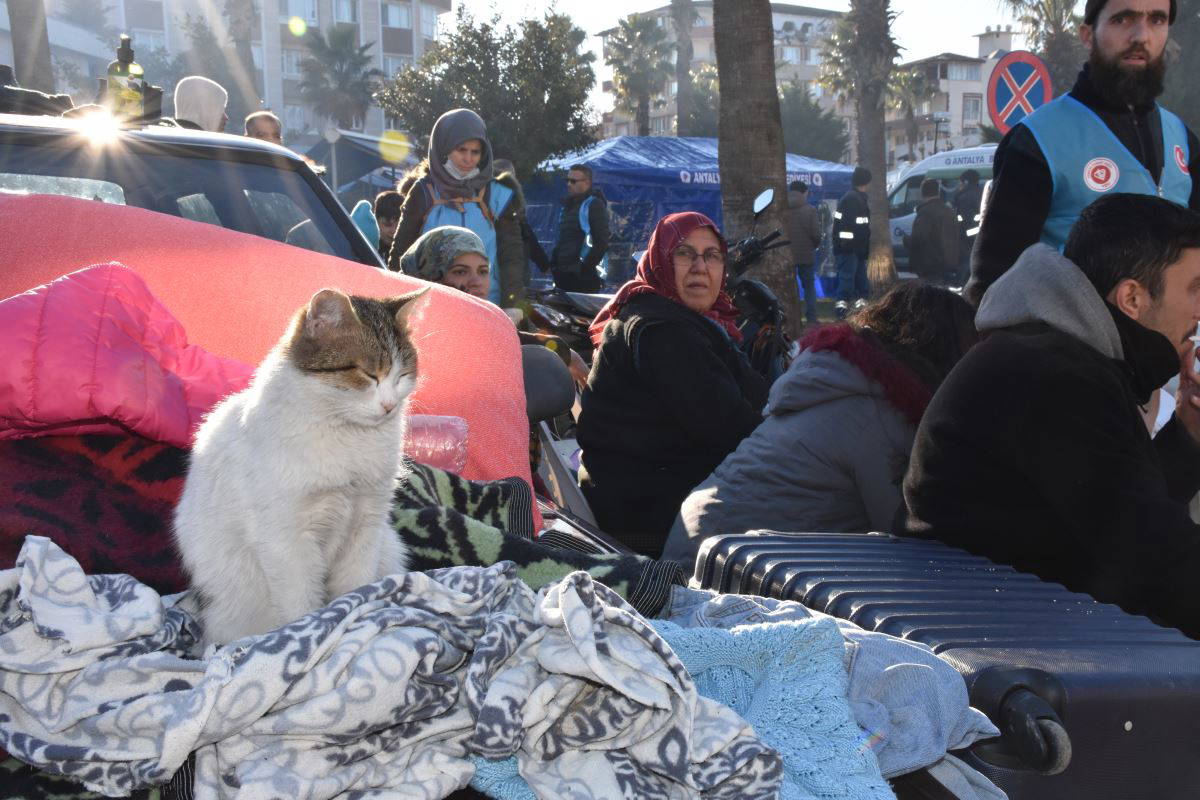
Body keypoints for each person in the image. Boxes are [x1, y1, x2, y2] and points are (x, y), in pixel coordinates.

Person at [904, 193, 1200, 637]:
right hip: (996, 639)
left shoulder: (1060, 356)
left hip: (1001, 614)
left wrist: (1191, 433)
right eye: (1195, 289)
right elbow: (1155, 560)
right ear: (1132, 298)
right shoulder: (1057, 376)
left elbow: (1128, 506)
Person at [664, 282, 976, 567]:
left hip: (699, 542)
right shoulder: (881, 415)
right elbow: (910, 536)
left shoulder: (834, 380)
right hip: (717, 572)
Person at [966, 0, 1198, 305]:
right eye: (1122, 20)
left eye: (1156, 20)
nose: (1141, 35)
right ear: (1088, 34)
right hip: (1068, 349)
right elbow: (992, 287)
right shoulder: (1038, 139)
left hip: (1166, 349)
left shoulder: (1181, 137)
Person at [575, 212, 769, 557]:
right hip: (648, 517)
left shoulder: (683, 321)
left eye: (711, 255)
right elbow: (731, 429)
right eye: (684, 253)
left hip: (655, 496)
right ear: (660, 260)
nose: (700, 267)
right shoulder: (662, 332)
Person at [385, 108, 526, 309]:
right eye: (461, 150)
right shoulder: (423, 192)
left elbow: (511, 256)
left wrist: (514, 305)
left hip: (488, 306)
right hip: (433, 307)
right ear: (444, 148)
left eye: (475, 152)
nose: (468, 159)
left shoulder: (497, 195)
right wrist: (395, 303)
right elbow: (401, 253)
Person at [549, 164, 610, 293]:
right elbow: (563, 239)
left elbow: (602, 242)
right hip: (563, 275)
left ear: (587, 183)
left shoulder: (594, 205)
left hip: (582, 278)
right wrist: (554, 264)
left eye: (573, 181)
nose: (569, 184)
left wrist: (584, 269)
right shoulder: (568, 206)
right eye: (567, 180)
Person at [832, 167, 872, 319]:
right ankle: (842, 313)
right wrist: (849, 246)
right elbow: (848, 228)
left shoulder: (854, 198)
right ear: (865, 182)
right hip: (851, 250)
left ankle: (858, 312)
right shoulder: (853, 200)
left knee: (860, 283)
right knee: (848, 282)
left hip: (855, 249)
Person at [904, 179, 961, 285]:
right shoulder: (949, 211)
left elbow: (919, 238)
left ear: (922, 193)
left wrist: (906, 240)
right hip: (948, 262)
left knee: (929, 295)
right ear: (938, 192)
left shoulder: (926, 212)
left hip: (930, 264)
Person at [786, 180, 824, 325]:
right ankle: (811, 319)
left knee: (790, 287)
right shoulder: (810, 210)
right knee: (809, 287)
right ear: (804, 192)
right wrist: (814, 245)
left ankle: (793, 317)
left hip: (787, 255)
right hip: (806, 255)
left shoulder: (783, 209)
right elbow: (816, 234)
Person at [953, 169, 984, 278]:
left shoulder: (965, 198)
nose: (959, 185)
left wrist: (962, 234)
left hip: (968, 239)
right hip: (979, 236)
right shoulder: (981, 193)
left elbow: (966, 221)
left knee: (966, 266)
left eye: (960, 182)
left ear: (965, 182)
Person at [374, 190, 404, 263]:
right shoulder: (367, 248)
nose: (394, 230)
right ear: (375, 220)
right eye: (387, 224)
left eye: (400, 225)